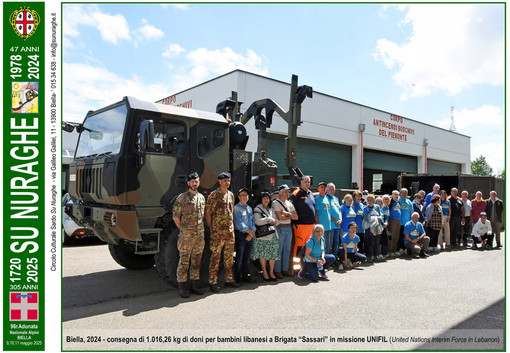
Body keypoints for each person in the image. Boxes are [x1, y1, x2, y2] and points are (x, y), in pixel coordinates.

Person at [172, 172, 206, 298]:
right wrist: (183, 230)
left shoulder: (202, 198)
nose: (194, 183)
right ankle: (182, 287)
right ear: (188, 183)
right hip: (186, 237)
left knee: (196, 261)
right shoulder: (182, 198)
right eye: (192, 181)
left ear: (199, 182)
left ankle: (195, 285)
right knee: (184, 262)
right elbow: (175, 216)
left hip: (199, 236)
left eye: (196, 181)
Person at [205, 172, 240, 292]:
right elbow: (208, 213)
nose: (227, 182)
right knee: (215, 257)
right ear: (219, 181)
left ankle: (229, 279)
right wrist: (213, 228)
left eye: (228, 180)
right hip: (218, 232)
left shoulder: (230, 195)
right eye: (224, 180)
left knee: (229, 257)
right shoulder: (213, 195)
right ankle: (212, 282)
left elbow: (231, 211)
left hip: (230, 232)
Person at [252, 192, 280, 281]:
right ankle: (264, 272)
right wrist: (269, 220)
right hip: (262, 236)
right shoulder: (257, 208)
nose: (266, 200)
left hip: (273, 235)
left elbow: (278, 221)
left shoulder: (271, 209)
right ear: (261, 199)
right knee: (263, 255)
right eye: (264, 198)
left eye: (267, 198)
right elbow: (257, 221)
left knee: (273, 255)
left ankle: (271, 272)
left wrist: (275, 221)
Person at [289, 176, 315, 266]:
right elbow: (290, 207)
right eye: (305, 181)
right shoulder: (296, 193)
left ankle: (307, 265)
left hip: (311, 225)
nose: (307, 183)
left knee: (309, 246)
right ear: (301, 182)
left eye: (309, 182)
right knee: (299, 246)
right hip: (300, 225)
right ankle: (296, 266)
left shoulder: (311, 194)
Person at [273, 184, 298, 278]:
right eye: (286, 191)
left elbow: (296, 217)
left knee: (287, 249)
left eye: (288, 191)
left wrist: (286, 214)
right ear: (281, 192)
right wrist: (290, 214)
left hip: (288, 227)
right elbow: (280, 217)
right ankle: (277, 270)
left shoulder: (289, 203)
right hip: (281, 228)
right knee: (279, 249)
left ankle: (285, 269)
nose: (288, 193)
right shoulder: (276, 203)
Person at [233, 188, 256, 284]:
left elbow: (253, 222)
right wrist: (248, 232)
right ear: (238, 197)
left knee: (247, 257)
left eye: (246, 195)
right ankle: (238, 277)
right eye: (242, 195)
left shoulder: (249, 208)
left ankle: (245, 275)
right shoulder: (236, 208)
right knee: (239, 257)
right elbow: (238, 222)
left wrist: (252, 233)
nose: (244, 197)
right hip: (241, 235)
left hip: (249, 235)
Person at [363, 194, 384, 262]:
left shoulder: (377, 207)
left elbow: (381, 214)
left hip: (377, 227)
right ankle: (369, 256)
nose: (370, 201)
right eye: (368, 200)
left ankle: (376, 256)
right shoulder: (365, 208)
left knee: (376, 242)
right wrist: (373, 219)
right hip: (369, 227)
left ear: (374, 200)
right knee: (370, 242)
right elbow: (366, 218)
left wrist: (379, 218)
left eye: (371, 200)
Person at [315, 182, 333, 255]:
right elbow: (315, 213)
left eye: (324, 187)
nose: (323, 189)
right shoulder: (317, 199)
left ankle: (327, 263)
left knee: (328, 246)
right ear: (318, 189)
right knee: (322, 247)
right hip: (322, 227)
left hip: (328, 226)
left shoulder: (326, 198)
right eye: (321, 187)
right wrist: (318, 226)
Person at [339, 194, 357, 269]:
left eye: (350, 200)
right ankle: (343, 261)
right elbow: (340, 218)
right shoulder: (342, 208)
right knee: (344, 247)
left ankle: (350, 260)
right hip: (345, 230)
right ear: (344, 200)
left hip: (352, 231)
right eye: (347, 200)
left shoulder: (352, 208)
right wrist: (340, 228)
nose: (349, 202)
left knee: (351, 246)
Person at [326, 182, 342, 261]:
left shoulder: (336, 199)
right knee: (329, 244)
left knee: (336, 244)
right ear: (327, 190)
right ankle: (329, 260)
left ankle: (335, 259)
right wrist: (335, 221)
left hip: (337, 226)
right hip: (330, 225)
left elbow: (339, 210)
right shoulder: (325, 198)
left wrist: (340, 219)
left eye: (333, 189)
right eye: (331, 189)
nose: (332, 191)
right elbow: (327, 213)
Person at [399, 188, 413, 255]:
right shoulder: (398, 200)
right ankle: (400, 248)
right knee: (400, 236)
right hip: (399, 222)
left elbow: (412, 212)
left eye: (405, 193)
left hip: (407, 223)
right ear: (400, 193)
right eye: (403, 193)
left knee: (406, 237)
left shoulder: (409, 202)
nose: (404, 194)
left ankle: (405, 248)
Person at [388, 190, 401, 257]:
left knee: (396, 235)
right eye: (395, 194)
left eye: (397, 194)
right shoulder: (391, 202)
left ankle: (394, 250)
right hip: (392, 220)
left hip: (398, 220)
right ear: (392, 195)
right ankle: (390, 250)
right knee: (392, 236)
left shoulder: (398, 202)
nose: (396, 196)